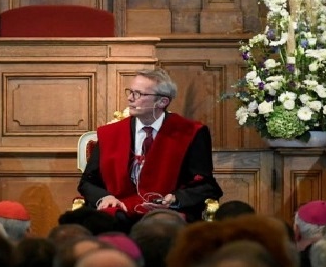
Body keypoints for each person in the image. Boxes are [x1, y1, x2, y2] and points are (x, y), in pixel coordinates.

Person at [77, 68, 222, 225]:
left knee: (162, 224)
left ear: (162, 102)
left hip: (167, 213)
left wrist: (175, 199)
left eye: (138, 94)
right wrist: (104, 198)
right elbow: (87, 182)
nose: (130, 99)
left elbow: (207, 185)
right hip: (119, 210)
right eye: (130, 92)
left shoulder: (190, 133)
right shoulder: (110, 133)